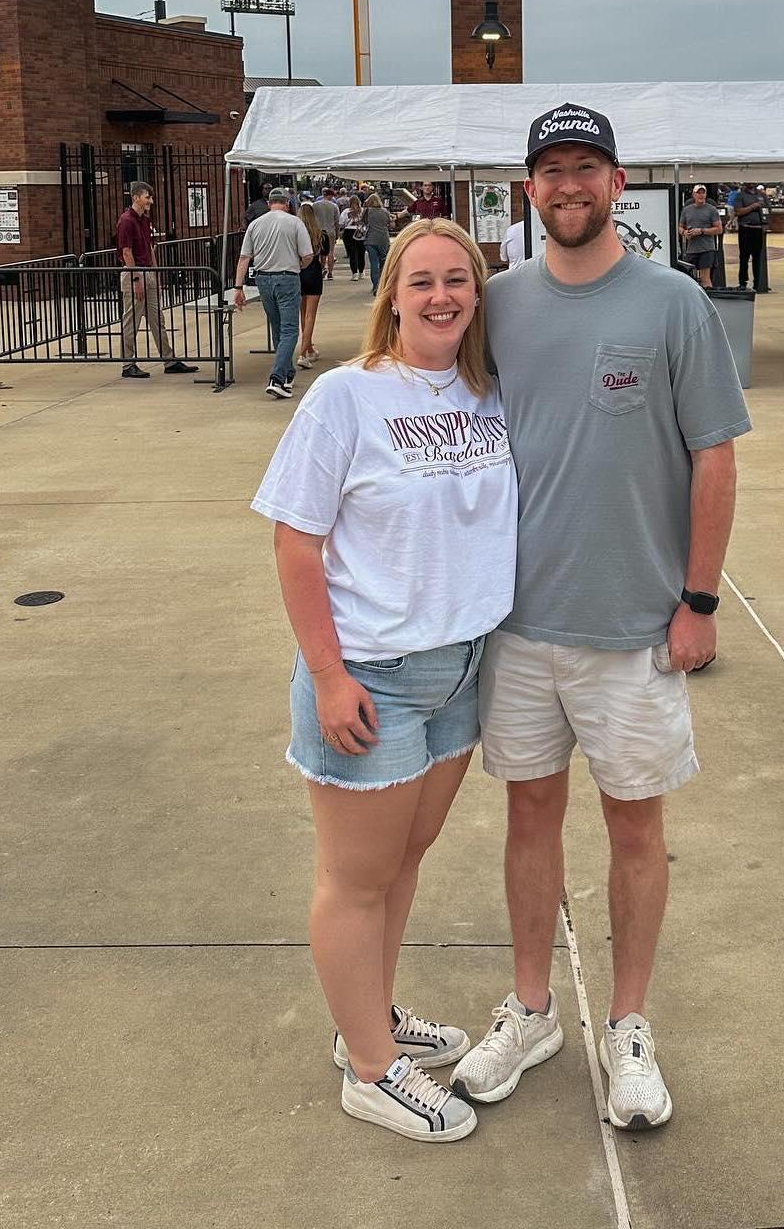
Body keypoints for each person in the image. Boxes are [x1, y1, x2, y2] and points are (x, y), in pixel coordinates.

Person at [451, 101, 750, 1131]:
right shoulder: (495, 304)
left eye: (586, 167)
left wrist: (699, 600)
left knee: (636, 826)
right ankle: (532, 1008)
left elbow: (714, 454)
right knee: (528, 815)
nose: (567, 184)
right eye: (550, 169)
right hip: (519, 626)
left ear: (618, 183)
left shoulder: (672, 304)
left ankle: (628, 1026)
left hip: (636, 630)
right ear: (526, 188)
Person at [254, 218, 515, 1145]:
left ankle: (370, 1011)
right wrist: (326, 673)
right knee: (354, 880)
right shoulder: (345, 399)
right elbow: (294, 541)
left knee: (403, 860)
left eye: (459, 280)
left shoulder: (487, 392)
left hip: (462, 669)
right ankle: (370, 1068)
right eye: (422, 282)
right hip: (374, 675)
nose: (442, 296)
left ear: (478, 293)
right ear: (391, 296)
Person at [233, 188, 315, 399]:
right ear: (287, 203)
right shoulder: (295, 223)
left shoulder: (256, 224)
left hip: (263, 279)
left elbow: (244, 258)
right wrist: (297, 263)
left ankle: (287, 373)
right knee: (290, 330)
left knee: (277, 328)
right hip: (287, 276)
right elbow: (307, 255)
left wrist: (238, 287)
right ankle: (277, 377)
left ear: (269, 203)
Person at [116, 182, 197, 380]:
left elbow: (150, 249)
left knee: (157, 319)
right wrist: (136, 279)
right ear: (136, 197)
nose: (150, 201)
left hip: (148, 272)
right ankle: (128, 364)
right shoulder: (126, 220)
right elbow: (126, 251)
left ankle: (169, 360)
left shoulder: (144, 220)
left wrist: (156, 276)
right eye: (147, 197)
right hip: (135, 272)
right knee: (131, 321)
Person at [296, 199, 333, 369]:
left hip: (298, 272)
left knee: (302, 313)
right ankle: (303, 353)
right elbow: (324, 255)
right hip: (314, 272)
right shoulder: (321, 233)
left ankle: (308, 347)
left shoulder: (295, 233)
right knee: (311, 314)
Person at [678, 184, 721, 288]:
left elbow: (719, 229)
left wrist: (701, 231)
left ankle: (708, 299)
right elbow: (680, 227)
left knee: (704, 278)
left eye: (703, 193)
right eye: (698, 193)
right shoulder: (687, 210)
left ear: (706, 195)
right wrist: (685, 233)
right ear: (694, 195)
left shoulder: (712, 210)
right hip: (691, 249)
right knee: (689, 278)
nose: (701, 195)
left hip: (706, 249)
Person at [733, 183, 770, 292]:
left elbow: (768, 211)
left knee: (757, 258)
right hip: (746, 229)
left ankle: (758, 283)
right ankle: (742, 283)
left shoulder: (762, 195)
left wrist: (766, 225)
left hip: (758, 229)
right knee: (744, 257)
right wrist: (753, 206)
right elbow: (738, 211)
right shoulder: (740, 195)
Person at [363, 189, 394, 296]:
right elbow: (391, 225)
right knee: (383, 264)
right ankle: (383, 285)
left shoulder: (367, 211)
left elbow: (363, 222)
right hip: (383, 239)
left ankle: (376, 286)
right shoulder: (385, 211)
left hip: (370, 239)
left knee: (374, 264)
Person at [339, 191, 367, 280]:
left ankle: (354, 273)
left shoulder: (346, 211)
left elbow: (341, 223)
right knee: (361, 253)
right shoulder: (362, 211)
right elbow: (366, 222)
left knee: (352, 254)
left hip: (349, 232)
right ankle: (361, 272)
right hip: (360, 232)